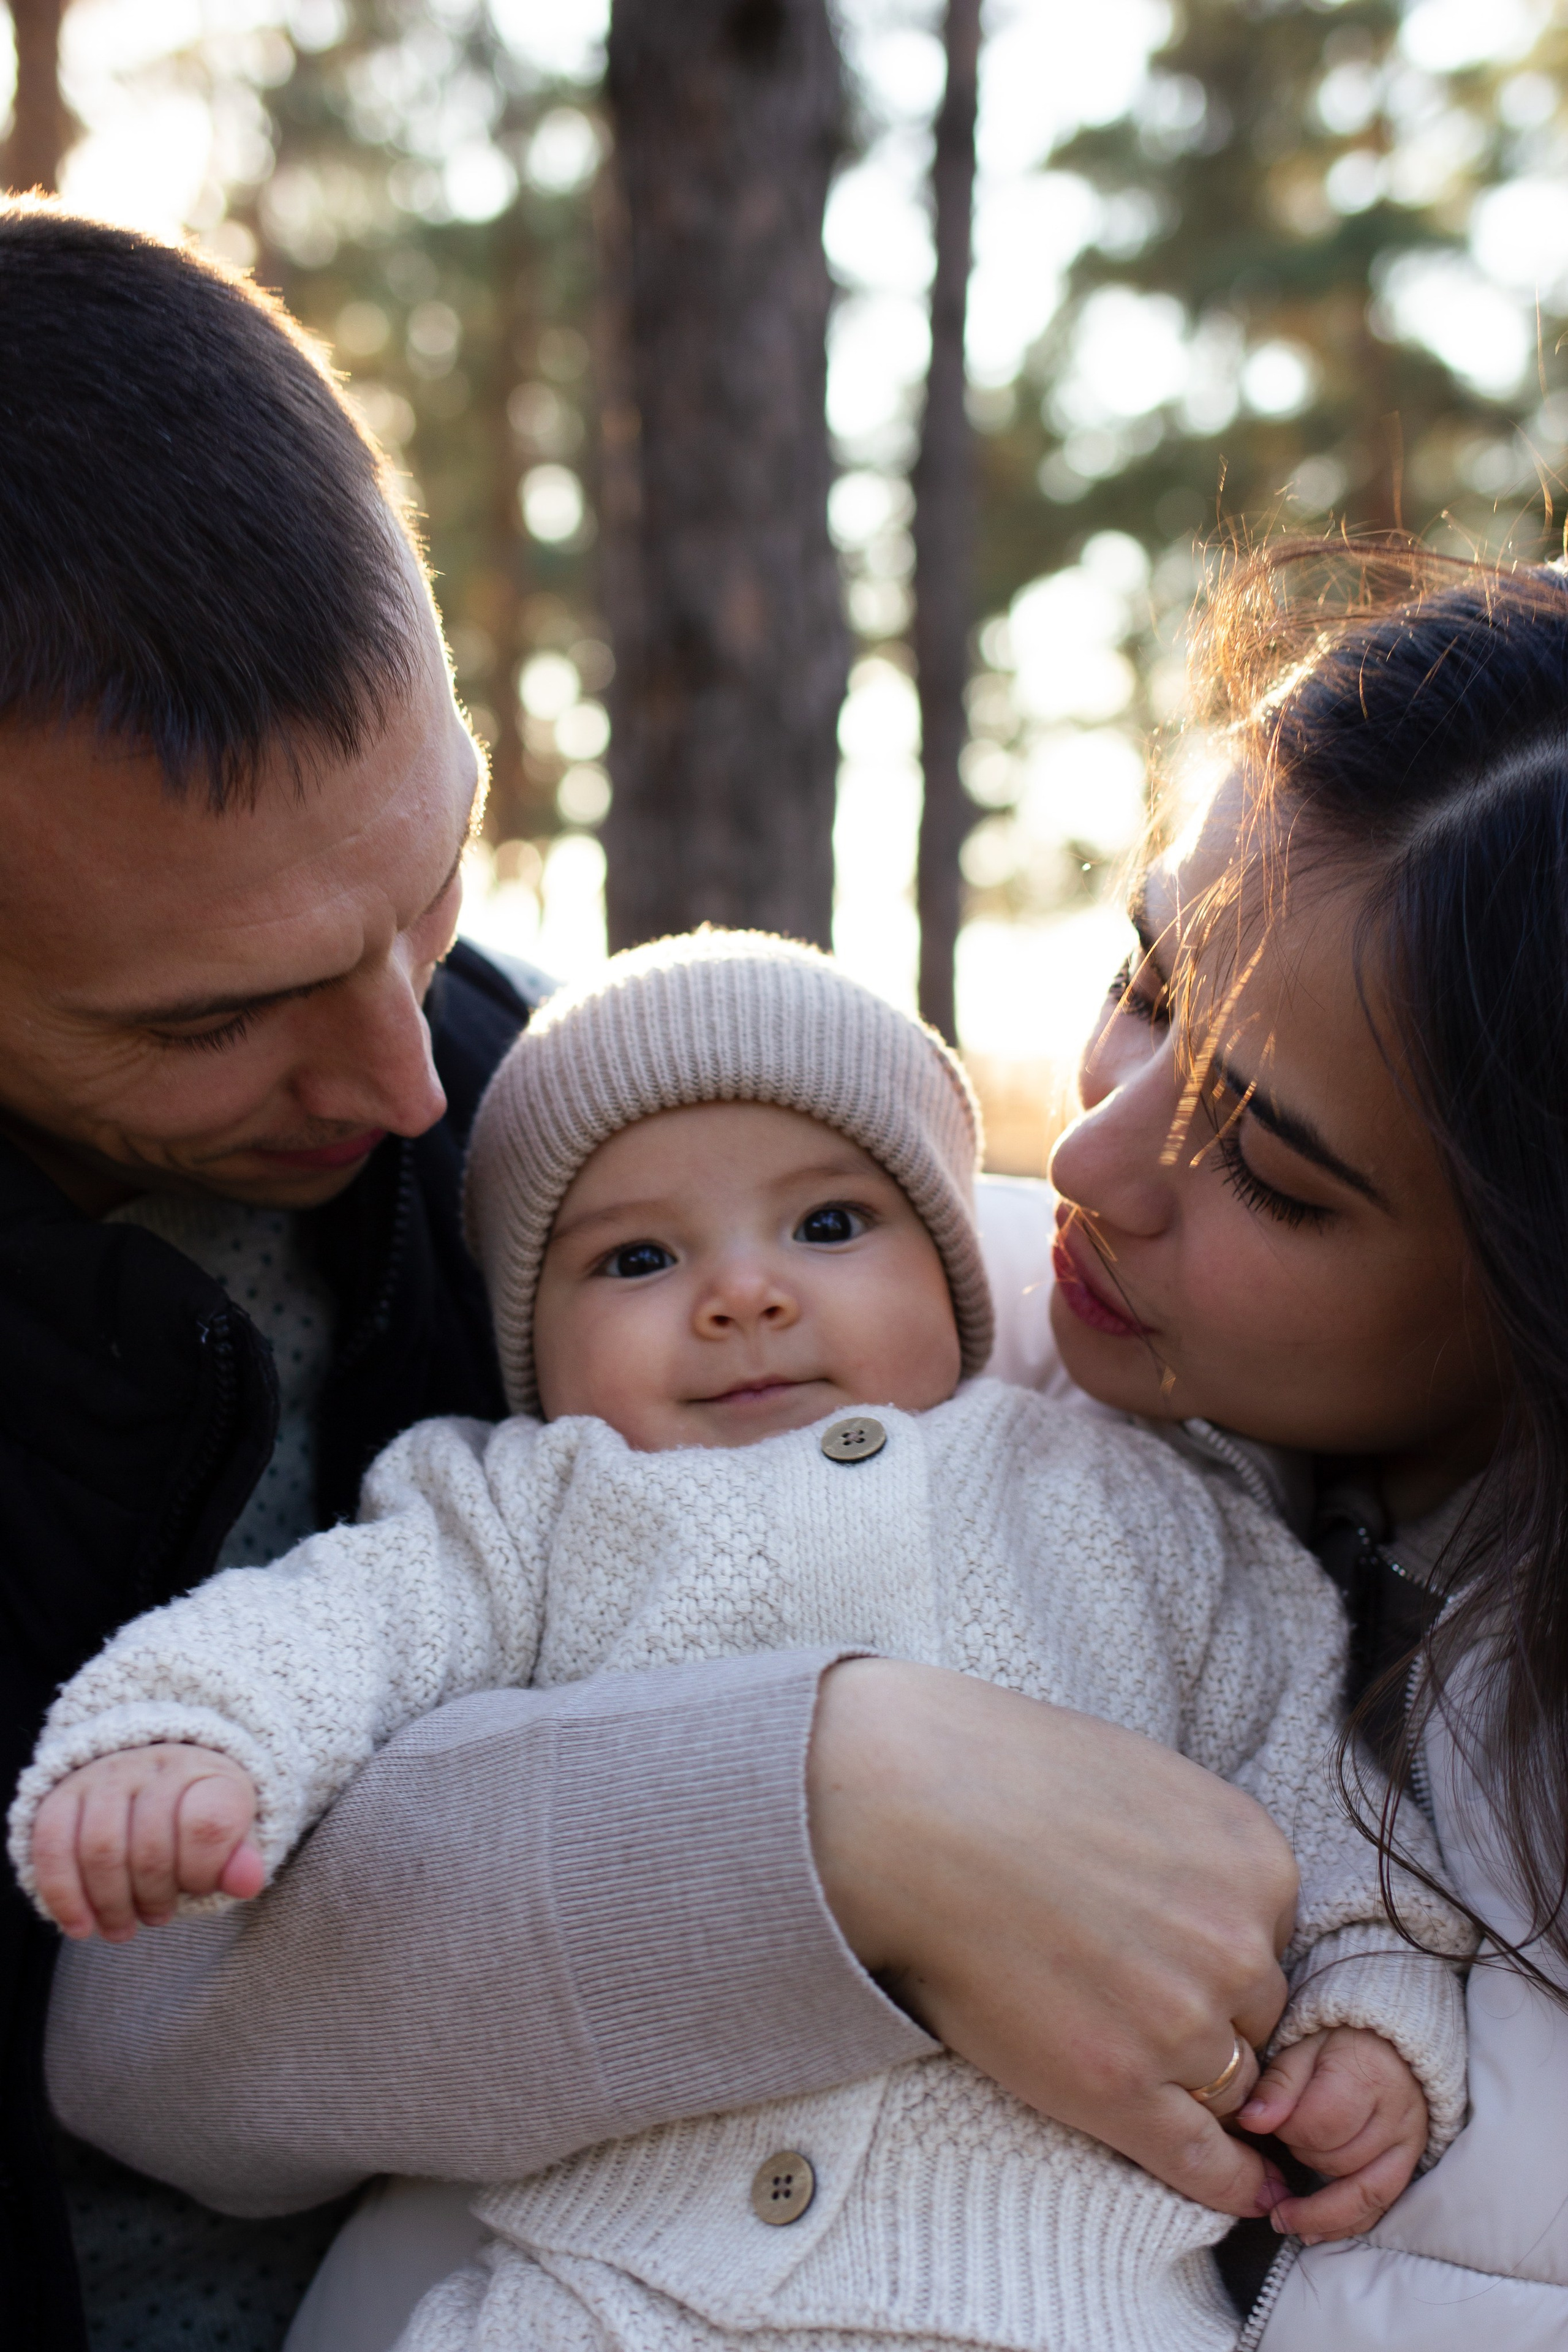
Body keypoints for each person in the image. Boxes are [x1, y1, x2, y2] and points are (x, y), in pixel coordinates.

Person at [0, 199, 1304, 2352]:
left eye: (428, 885)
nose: (406, 1081)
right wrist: (830, 1806)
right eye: (205, 1022)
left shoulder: (549, 1120)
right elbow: (149, 2004)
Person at [15, 931, 1468, 2352]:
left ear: (953, 1265)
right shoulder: (529, 1503)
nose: (743, 1293)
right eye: (637, 1256)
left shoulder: (1140, 1501)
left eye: (828, 1225)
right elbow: (331, 1626)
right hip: (598, 2290)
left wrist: (1373, 2018)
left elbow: (1319, 1790)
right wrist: (187, 1735)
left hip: (1056, 2294)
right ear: (533, 1336)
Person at [1042, 541, 1568, 2343]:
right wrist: (840, 1805)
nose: (1090, 1164)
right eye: (1145, 984)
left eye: (1265, 1166)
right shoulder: (858, 1335)